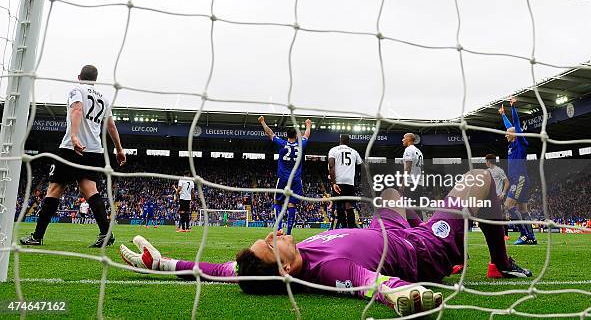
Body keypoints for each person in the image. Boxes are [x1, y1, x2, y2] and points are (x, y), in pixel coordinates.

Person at [120, 169, 532, 317]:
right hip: (419, 247)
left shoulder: (255, 269)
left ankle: (450, 236)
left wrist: (159, 262)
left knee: (389, 197)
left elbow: (209, 271)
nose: (271, 235)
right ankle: (501, 260)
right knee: (479, 180)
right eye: (270, 245)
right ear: (285, 270)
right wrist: (406, 294)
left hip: (386, 227)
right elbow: (370, 283)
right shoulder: (327, 272)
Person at [20, 65, 126, 248]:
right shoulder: (104, 98)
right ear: (95, 79)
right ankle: (106, 233)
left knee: (54, 189)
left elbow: (76, 110)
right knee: (90, 190)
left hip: (72, 148)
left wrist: (75, 136)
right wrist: (119, 149)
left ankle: (37, 236)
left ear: (79, 77)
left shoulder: (77, 90)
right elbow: (111, 127)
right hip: (94, 151)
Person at [258, 116, 311, 235]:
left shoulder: (282, 143)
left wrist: (262, 122)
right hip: (296, 179)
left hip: (283, 178)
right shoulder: (301, 144)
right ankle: (289, 232)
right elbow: (307, 135)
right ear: (296, 136)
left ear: (287, 135)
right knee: (292, 204)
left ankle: (278, 229)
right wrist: (308, 124)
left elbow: (270, 133)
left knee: (277, 202)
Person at [499, 97, 537, 245]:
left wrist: (513, 108)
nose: (505, 134)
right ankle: (531, 237)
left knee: (508, 206)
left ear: (515, 135)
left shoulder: (520, 143)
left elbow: (515, 126)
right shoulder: (511, 145)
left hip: (519, 179)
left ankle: (523, 234)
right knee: (523, 209)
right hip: (519, 179)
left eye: (508, 133)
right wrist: (503, 114)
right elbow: (510, 127)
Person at [328, 134, 362, 228]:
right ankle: (351, 229)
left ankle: (342, 228)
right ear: (349, 142)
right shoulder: (354, 152)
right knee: (349, 206)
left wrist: (333, 183)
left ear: (340, 141)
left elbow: (331, 166)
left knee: (339, 205)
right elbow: (360, 164)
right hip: (349, 182)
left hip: (338, 181)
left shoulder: (333, 150)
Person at [485, 154, 510, 239]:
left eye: (486, 161)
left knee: (501, 215)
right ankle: (493, 234)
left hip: (497, 197)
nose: (485, 163)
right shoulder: (487, 171)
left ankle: (505, 234)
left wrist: (503, 193)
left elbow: (507, 182)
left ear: (488, 161)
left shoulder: (499, 170)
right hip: (489, 198)